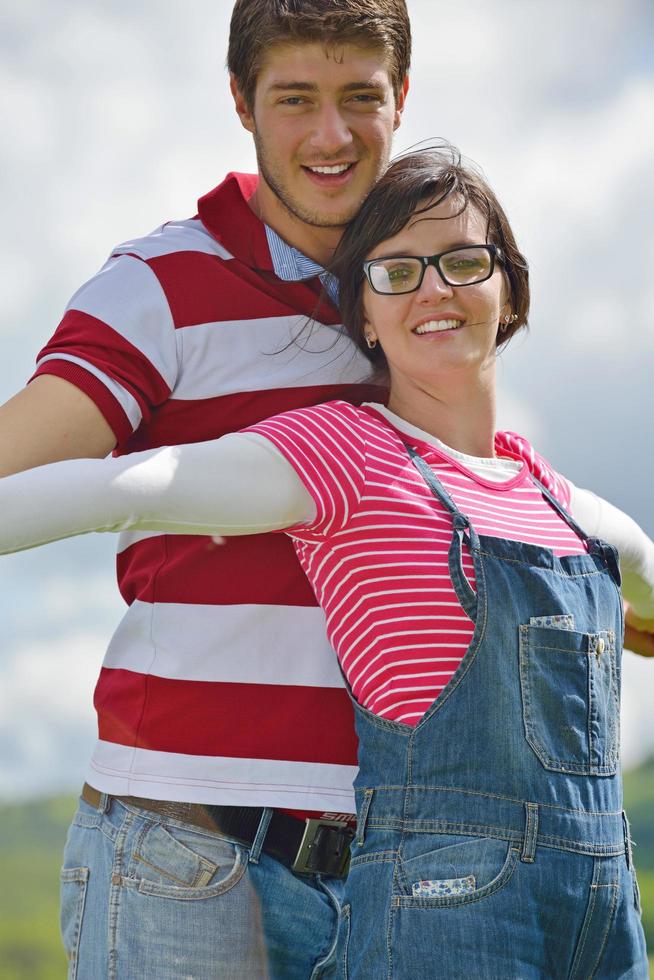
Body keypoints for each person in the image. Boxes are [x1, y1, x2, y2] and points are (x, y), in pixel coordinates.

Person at [0, 146, 651, 977]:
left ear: (510, 288)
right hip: (439, 921)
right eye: (395, 273)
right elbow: (114, 492)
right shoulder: (338, 453)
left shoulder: (568, 506)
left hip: (603, 925)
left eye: (462, 261)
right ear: (364, 320)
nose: (433, 289)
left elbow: (642, 568)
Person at [0, 2, 411, 976]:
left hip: (397, 864)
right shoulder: (161, 283)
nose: (330, 135)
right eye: (294, 99)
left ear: (402, 98)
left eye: (360, 97)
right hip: (187, 854)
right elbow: (20, 455)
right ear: (240, 100)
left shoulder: (425, 292)